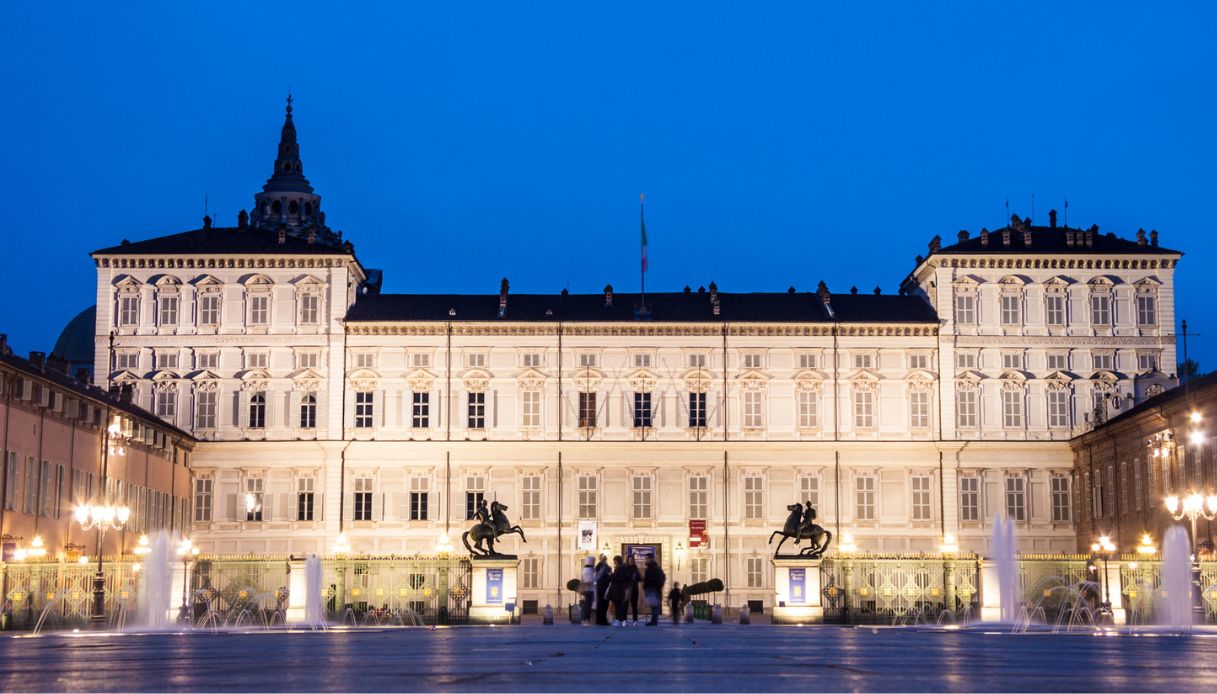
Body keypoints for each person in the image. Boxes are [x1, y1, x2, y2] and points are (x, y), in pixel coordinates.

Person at [607, 555, 632, 626]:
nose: (614, 563)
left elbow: (619, 578)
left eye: (615, 562)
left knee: (619, 605)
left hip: (619, 590)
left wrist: (611, 575)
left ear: (618, 561)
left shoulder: (622, 569)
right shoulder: (619, 568)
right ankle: (619, 620)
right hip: (616, 590)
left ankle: (618, 620)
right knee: (618, 605)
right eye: (614, 562)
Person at [642, 557, 666, 626]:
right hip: (649, 589)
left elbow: (662, 578)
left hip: (654, 589)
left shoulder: (656, 568)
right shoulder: (648, 568)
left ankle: (654, 621)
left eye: (648, 559)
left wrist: (658, 586)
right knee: (653, 606)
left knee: (655, 607)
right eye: (646, 559)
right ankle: (653, 621)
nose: (646, 560)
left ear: (651, 559)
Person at [593, 554, 612, 626]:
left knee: (605, 604)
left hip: (606, 587)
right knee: (600, 604)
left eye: (605, 559)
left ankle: (604, 619)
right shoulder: (598, 567)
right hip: (600, 587)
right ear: (600, 559)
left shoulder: (608, 567)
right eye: (603, 559)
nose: (604, 560)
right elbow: (596, 576)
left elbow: (610, 575)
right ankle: (599, 620)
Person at [624, 555, 641, 626]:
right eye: (629, 560)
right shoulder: (625, 568)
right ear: (627, 561)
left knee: (634, 605)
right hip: (627, 588)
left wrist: (637, 576)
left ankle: (635, 620)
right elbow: (624, 577)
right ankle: (624, 620)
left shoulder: (636, 568)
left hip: (634, 589)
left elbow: (639, 578)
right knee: (625, 605)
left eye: (632, 560)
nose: (630, 561)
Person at [579, 556, 595, 624]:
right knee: (588, 605)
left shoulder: (584, 570)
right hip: (589, 590)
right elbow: (589, 581)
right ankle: (586, 619)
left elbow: (582, 580)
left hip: (586, 590)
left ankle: (584, 619)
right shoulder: (590, 570)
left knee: (586, 605)